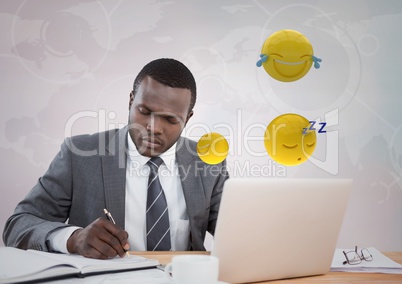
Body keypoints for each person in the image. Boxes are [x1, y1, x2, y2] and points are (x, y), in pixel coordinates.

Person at [3, 58, 229, 259]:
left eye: (170, 120)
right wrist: (73, 239)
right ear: (131, 101)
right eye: (145, 111)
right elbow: (17, 225)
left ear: (187, 118)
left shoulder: (208, 162)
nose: (154, 128)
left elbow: (238, 234)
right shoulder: (79, 154)